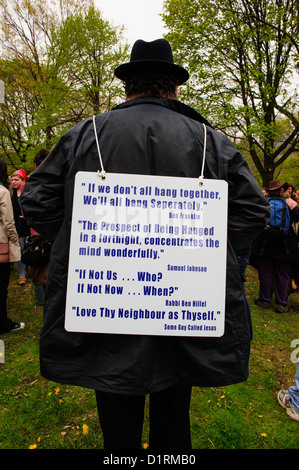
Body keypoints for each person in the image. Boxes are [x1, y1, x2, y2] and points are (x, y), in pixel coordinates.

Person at [20, 39, 270, 449]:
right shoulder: (212, 141)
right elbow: (252, 211)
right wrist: (206, 251)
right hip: (181, 303)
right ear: (173, 88)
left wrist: (78, 239)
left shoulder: (85, 134)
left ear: (127, 87)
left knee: (116, 415)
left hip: (110, 303)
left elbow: (36, 198)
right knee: (174, 412)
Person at [251, 179, 299, 313]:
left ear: (270, 191)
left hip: (265, 245)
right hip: (285, 246)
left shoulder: (264, 203)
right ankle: (282, 303)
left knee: (265, 273)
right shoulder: (289, 203)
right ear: (282, 190)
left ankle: (264, 300)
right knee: (283, 274)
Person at [0, 159, 25, 333]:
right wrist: (14, 241)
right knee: (1, 287)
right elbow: (8, 221)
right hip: (1, 243)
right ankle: (3, 324)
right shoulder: (3, 192)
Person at [11, 169, 29, 285]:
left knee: (28, 248)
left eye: (16, 180)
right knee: (19, 249)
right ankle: (21, 275)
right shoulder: (10, 193)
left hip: (27, 223)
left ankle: (30, 268)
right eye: (12, 180)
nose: (14, 182)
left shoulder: (27, 192)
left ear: (23, 180)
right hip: (16, 224)